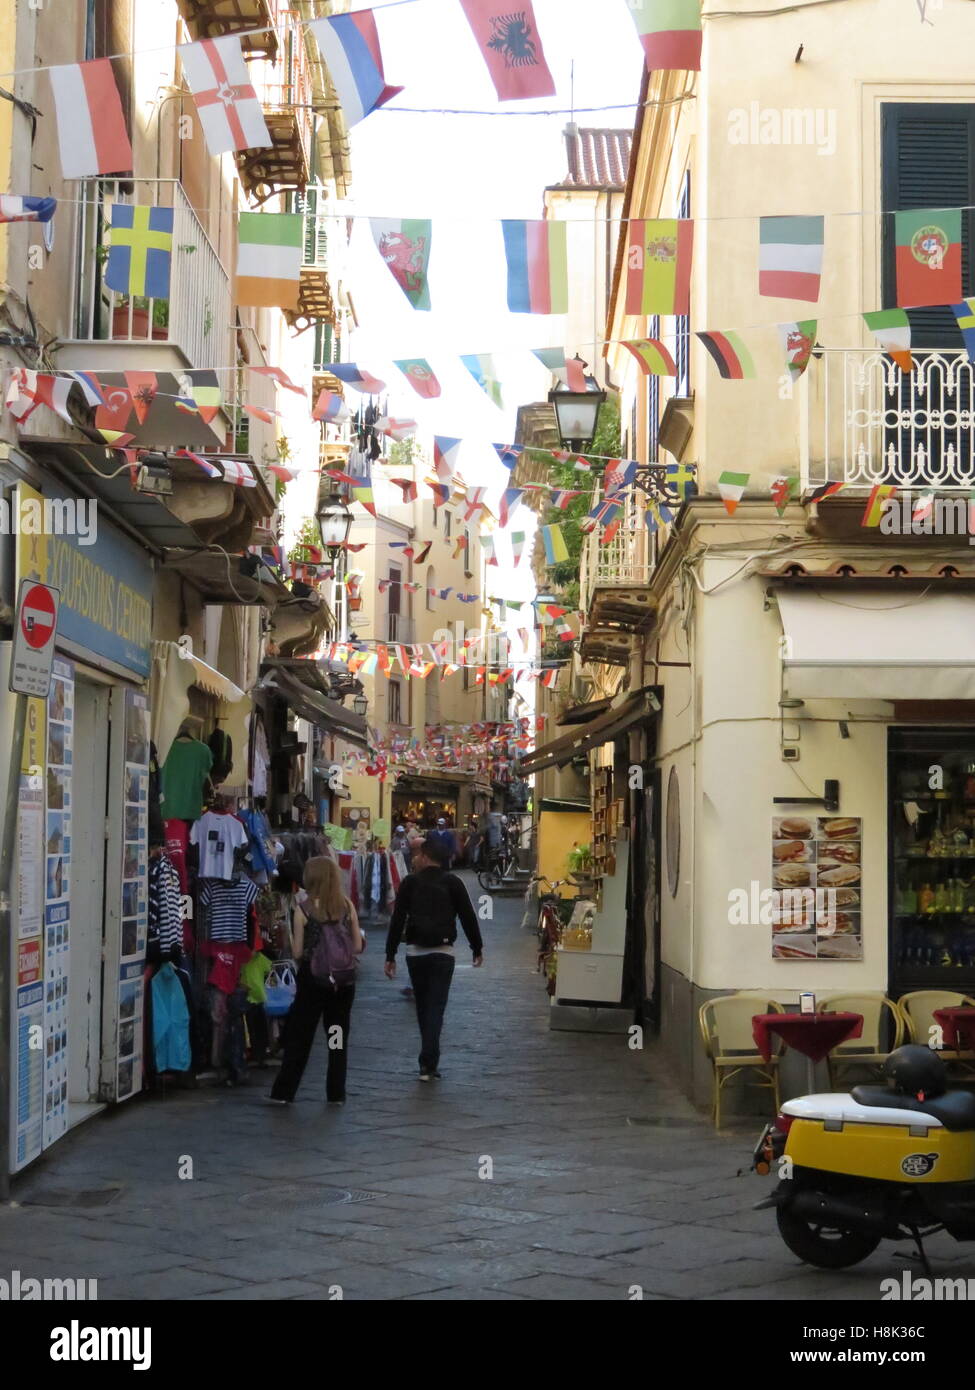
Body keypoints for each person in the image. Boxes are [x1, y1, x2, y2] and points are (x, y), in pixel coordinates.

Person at [384, 837, 483, 1080]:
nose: (415, 858)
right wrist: (476, 947)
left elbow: (397, 920)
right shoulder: (453, 882)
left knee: (423, 1006)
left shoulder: (410, 883)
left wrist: (390, 955)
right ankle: (429, 1062)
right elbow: (468, 916)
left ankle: (427, 1060)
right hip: (443, 952)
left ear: (426, 857)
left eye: (418, 855)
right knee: (436, 1007)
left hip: (415, 953)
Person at [270, 856, 363, 1105]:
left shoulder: (303, 910)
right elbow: (356, 945)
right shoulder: (347, 905)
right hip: (342, 983)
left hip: (313, 980)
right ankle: (335, 1093)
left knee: (301, 1036)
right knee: (336, 1036)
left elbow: (298, 952)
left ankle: (284, 1092)